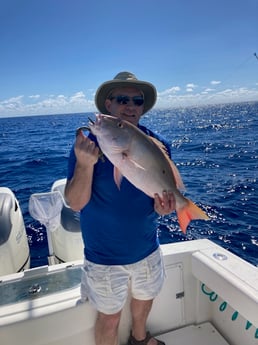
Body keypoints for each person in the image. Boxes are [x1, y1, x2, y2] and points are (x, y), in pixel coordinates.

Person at [65, 72, 176, 345]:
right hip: (104, 257)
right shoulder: (87, 146)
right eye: (122, 99)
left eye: (137, 101)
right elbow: (75, 203)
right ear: (108, 105)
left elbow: (159, 203)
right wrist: (83, 163)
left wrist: (166, 208)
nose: (131, 106)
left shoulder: (159, 146)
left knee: (143, 303)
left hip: (147, 248)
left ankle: (139, 339)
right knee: (109, 318)